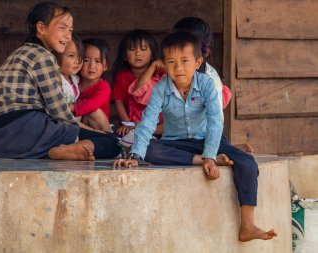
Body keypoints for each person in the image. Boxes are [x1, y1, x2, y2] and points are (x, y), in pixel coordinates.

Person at [114, 31, 277, 242]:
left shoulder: (207, 85)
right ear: (163, 64)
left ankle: (247, 225)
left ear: (198, 62)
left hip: (208, 139)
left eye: (184, 61)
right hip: (177, 142)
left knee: (247, 162)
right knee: (152, 150)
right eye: (171, 62)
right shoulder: (160, 88)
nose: (178, 68)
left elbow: (216, 121)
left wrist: (210, 153)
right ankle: (199, 160)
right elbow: (147, 123)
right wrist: (135, 155)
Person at [0, 2, 120, 160]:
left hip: (4, 141)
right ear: (41, 28)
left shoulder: (17, 54)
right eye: (62, 27)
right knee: (112, 143)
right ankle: (61, 150)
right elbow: (59, 111)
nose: (68, 35)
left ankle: (58, 149)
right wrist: (90, 132)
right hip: (29, 128)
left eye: (70, 30)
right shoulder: (43, 57)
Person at [174, 16, 253, 153]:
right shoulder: (211, 72)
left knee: (152, 148)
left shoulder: (197, 78)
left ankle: (219, 151)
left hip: (195, 137)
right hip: (213, 135)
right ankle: (225, 149)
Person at [111, 29, 165, 136]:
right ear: (125, 56)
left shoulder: (160, 74)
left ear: (153, 55)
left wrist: (154, 66)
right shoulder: (122, 76)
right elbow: (119, 102)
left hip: (158, 125)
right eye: (132, 49)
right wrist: (127, 123)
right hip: (131, 124)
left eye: (144, 49)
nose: (138, 53)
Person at [67, 38, 112, 132]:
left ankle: (107, 137)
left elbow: (92, 104)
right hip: (78, 125)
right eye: (86, 60)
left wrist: (72, 107)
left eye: (97, 61)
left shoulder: (103, 87)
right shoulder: (73, 82)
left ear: (105, 66)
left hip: (99, 127)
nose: (91, 66)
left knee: (94, 111)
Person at [54, 32, 83, 106]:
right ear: (56, 58)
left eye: (80, 56)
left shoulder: (75, 79)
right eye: (71, 55)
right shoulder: (56, 80)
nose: (78, 61)